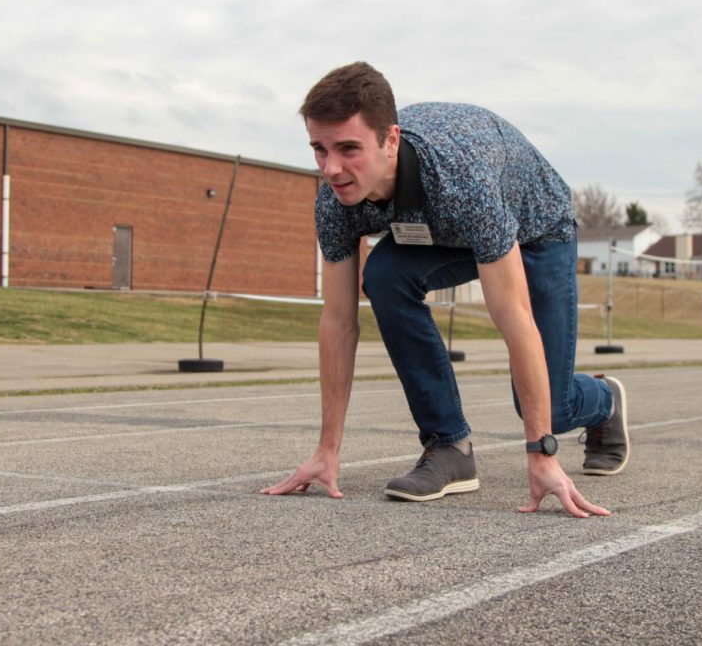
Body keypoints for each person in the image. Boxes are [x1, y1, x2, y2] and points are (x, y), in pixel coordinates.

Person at [261, 62, 628, 518]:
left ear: (390, 140)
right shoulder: (335, 201)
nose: (332, 168)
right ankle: (448, 444)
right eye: (319, 149)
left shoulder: (462, 182)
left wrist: (542, 453)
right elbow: (338, 322)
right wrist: (326, 450)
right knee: (384, 275)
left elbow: (514, 318)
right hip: (438, 228)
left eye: (349, 148)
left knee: (546, 406)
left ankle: (602, 399)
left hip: (538, 231)